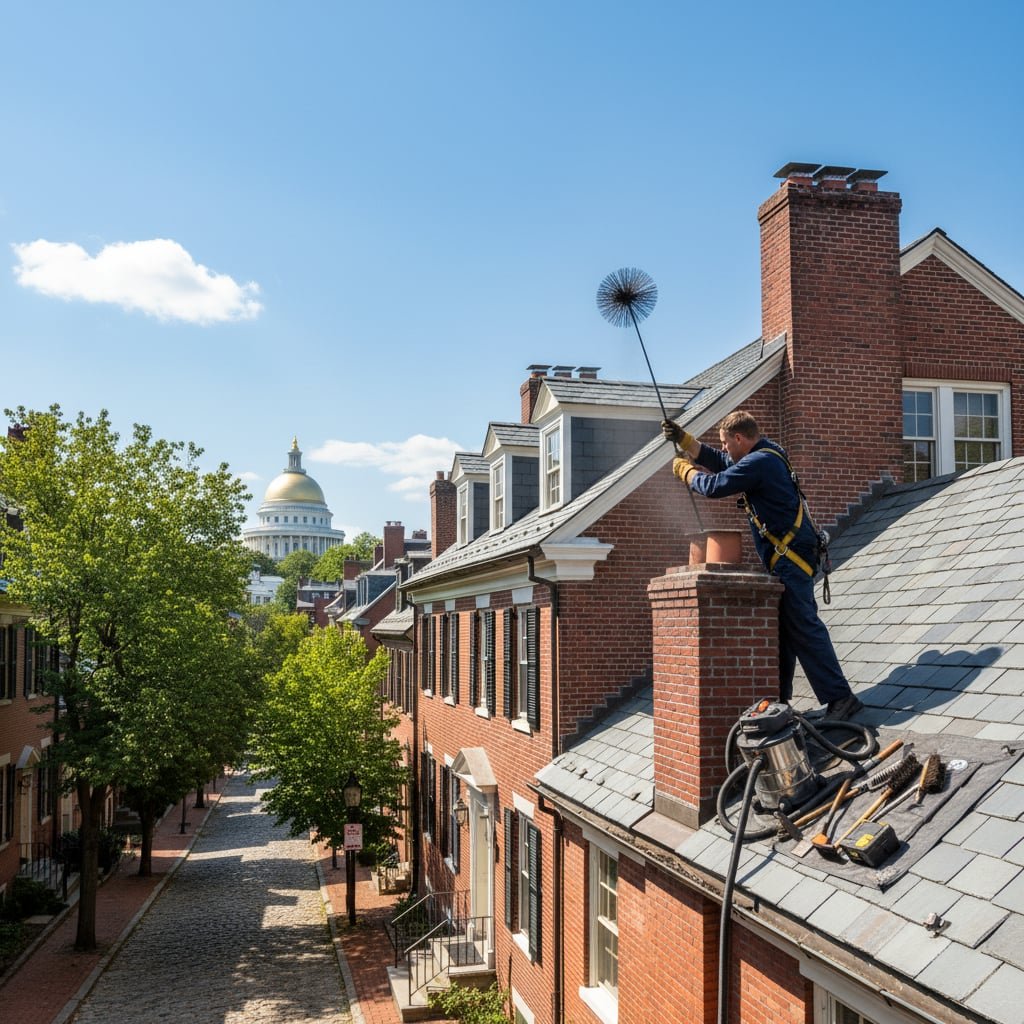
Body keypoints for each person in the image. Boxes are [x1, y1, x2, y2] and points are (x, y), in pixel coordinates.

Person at [662, 410, 863, 721]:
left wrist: (685, 471)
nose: (725, 449)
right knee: (784, 630)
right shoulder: (766, 453)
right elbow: (722, 461)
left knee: (803, 627)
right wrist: (686, 441)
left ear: (740, 438)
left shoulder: (759, 463)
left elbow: (715, 485)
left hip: (790, 557)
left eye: (727, 443)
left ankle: (841, 699)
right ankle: (780, 701)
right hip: (791, 555)